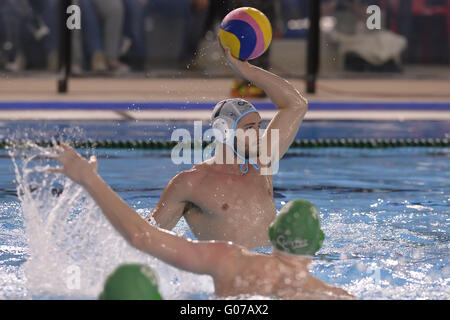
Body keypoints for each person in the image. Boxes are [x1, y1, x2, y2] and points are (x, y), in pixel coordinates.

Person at [47, 140, 353, 299]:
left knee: (130, 286)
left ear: (273, 232)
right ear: (319, 244)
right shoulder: (334, 295)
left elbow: (142, 236)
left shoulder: (229, 261)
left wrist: (89, 180)